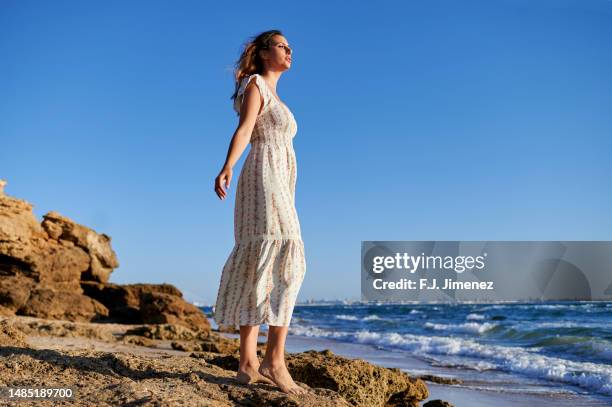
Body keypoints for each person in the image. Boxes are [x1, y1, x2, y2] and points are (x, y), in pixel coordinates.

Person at [212, 29, 308, 395]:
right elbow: (245, 129)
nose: (289, 52)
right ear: (264, 52)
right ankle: (274, 360)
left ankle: (247, 362)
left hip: (278, 180)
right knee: (288, 258)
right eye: (282, 46)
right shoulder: (256, 85)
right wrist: (227, 166)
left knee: (264, 264)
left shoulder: (274, 93)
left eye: (290, 48)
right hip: (263, 176)